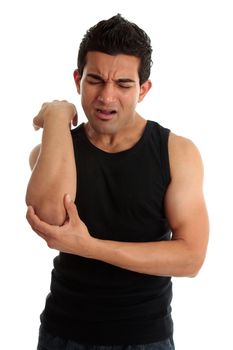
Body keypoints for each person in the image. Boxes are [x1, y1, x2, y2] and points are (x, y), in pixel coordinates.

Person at [26, 14, 209, 350]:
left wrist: (89, 247)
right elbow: (50, 220)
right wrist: (55, 115)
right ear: (78, 79)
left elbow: (191, 258)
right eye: (95, 80)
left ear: (143, 89)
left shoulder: (177, 153)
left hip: (144, 338)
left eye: (123, 84)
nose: (106, 97)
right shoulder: (52, 150)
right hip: (62, 334)